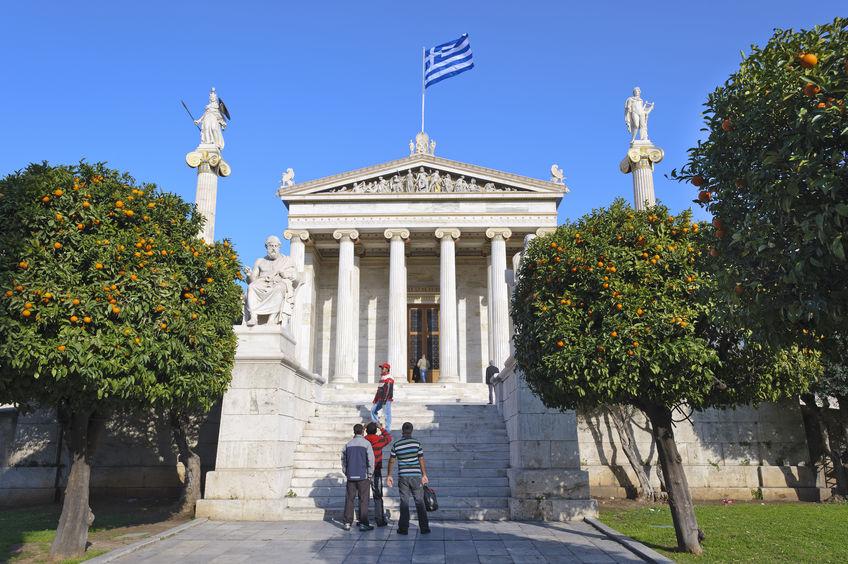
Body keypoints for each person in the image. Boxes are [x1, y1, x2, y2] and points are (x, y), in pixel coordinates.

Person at [386, 422, 430, 535]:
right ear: (411, 430)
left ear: (402, 430)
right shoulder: (416, 444)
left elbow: (391, 460)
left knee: (404, 502)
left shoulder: (396, 444)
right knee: (419, 501)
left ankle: (403, 528)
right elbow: (421, 459)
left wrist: (389, 475)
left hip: (403, 476)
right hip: (416, 476)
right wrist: (424, 474)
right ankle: (424, 528)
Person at [341, 423, 375, 531]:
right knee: (363, 500)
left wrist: (346, 472)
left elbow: (343, 460)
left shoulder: (348, 444)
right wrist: (370, 473)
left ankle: (347, 522)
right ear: (363, 432)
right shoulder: (366, 444)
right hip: (363, 476)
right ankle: (363, 523)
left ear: (354, 432)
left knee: (349, 499)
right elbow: (371, 460)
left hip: (351, 476)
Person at [365, 422, 392, 527]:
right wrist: (381, 428)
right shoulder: (379, 439)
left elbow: (356, 438)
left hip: (365, 471)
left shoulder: (364, 440)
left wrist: (362, 428)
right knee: (378, 496)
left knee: (363, 496)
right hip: (376, 470)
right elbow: (388, 438)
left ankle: (363, 519)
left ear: (366, 430)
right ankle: (379, 519)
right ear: (376, 430)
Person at [371, 362, 394, 431]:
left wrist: (385, 400)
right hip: (380, 399)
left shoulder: (389, 377)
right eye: (381, 368)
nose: (381, 369)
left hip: (386, 400)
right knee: (373, 410)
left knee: (387, 414)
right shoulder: (382, 377)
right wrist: (375, 399)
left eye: (383, 368)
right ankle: (377, 423)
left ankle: (387, 430)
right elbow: (379, 390)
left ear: (387, 369)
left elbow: (388, 390)